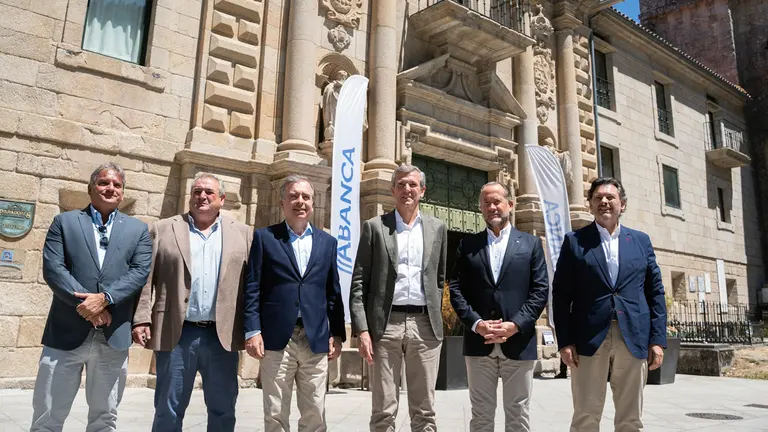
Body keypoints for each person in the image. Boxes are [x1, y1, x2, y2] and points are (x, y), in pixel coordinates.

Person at [31, 163, 152, 431]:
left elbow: (139, 272)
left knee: (104, 418)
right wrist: (90, 307)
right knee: (47, 415)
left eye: (117, 185)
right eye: (104, 183)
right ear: (91, 188)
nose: (110, 188)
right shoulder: (64, 222)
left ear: (122, 192)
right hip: (66, 334)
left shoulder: (138, 230)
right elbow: (54, 270)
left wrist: (105, 298)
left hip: (113, 336)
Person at [132, 173, 252, 431]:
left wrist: (254, 329)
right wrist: (141, 317)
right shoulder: (163, 229)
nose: (202, 196)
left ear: (222, 199)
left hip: (223, 337)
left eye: (209, 192)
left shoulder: (243, 234)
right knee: (168, 409)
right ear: (190, 197)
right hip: (177, 333)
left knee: (223, 410)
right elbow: (145, 278)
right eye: (197, 191)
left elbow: (253, 287)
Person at [552, 177, 667, 432]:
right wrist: (565, 340)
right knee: (585, 416)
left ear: (622, 204)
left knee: (630, 419)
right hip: (589, 339)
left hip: (633, 336)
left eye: (610, 197)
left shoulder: (641, 241)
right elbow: (561, 295)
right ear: (591, 205)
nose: (604, 202)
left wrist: (657, 340)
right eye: (598, 198)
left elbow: (655, 292)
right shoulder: (575, 241)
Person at [244, 174, 346, 432]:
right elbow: (253, 287)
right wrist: (253, 330)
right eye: (293, 196)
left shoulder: (328, 243)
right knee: (276, 412)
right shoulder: (265, 238)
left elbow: (333, 292)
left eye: (305, 197)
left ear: (313, 203)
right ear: (282, 203)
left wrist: (338, 334)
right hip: (278, 339)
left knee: (315, 412)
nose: (300, 201)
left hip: (315, 338)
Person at [349, 164, 448, 432]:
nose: (407, 189)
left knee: (425, 410)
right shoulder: (374, 227)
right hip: (385, 325)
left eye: (413, 185)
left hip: (425, 327)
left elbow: (439, 279)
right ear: (393, 190)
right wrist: (362, 330)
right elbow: (359, 281)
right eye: (401, 184)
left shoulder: (437, 228)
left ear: (422, 191)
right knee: (383, 410)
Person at [449, 181, 548, 432]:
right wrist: (477, 323)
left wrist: (515, 325)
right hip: (478, 344)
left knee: (518, 415)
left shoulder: (531, 244)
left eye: (497, 201)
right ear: (481, 208)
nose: (492, 207)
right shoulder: (467, 246)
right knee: (481, 416)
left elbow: (540, 291)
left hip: (518, 341)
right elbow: (456, 290)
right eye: (486, 202)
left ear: (510, 205)